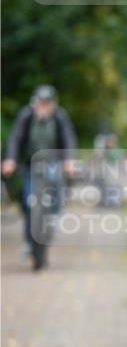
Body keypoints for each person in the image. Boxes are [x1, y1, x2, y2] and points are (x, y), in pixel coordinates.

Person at [2, 85, 77, 269]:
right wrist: (10, 159)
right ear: (35, 102)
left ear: (53, 103)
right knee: (29, 202)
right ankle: (29, 241)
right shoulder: (26, 115)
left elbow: (68, 138)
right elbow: (16, 137)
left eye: (47, 103)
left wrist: (69, 160)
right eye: (41, 102)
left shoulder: (60, 116)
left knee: (55, 196)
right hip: (31, 164)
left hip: (53, 162)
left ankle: (52, 216)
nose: (44, 106)